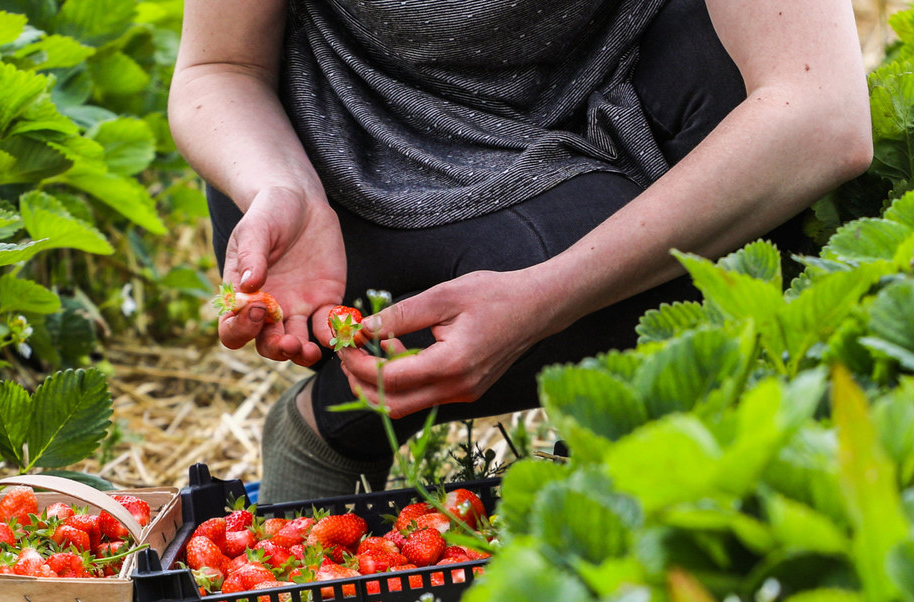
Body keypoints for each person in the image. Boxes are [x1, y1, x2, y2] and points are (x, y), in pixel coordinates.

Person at [171, 0, 872, 502]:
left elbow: (820, 113)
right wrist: (284, 187)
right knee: (685, 275)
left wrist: (550, 298)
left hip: (610, 101)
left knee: (770, 195)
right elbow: (221, 65)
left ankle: (616, 452)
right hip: (362, 162)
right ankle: (337, 426)